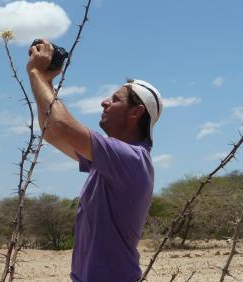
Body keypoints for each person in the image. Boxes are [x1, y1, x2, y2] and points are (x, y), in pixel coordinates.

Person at [27, 39, 163, 282]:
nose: (104, 102)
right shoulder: (111, 162)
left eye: (116, 99)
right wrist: (44, 81)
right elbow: (51, 131)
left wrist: (37, 73)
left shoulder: (130, 159)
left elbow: (60, 124)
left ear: (136, 113)